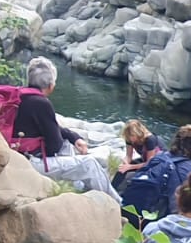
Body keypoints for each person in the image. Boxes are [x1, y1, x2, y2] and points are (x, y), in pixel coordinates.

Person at [13, 57, 118, 197]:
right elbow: (54, 145)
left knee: (67, 145)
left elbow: (52, 129)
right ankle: (117, 207)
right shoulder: (41, 103)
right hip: (31, 163)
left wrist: (74, 137)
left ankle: (78, 188)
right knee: (89, 163)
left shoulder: (20, 97)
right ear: (51, 85)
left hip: (15, 156)